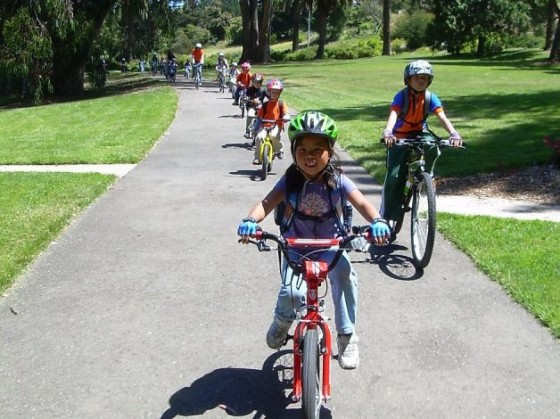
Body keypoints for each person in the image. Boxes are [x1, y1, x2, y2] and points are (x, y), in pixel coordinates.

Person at [237, 111, 391, 369]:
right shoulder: (290, 182)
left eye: (318, 149)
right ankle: (282, 320)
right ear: (293, 150)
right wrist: (251, 221)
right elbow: (265, 204)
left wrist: (378, 222)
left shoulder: (338, 181)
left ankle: (346, 335)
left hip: (331, 246)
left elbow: (362, 202)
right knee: (292, 291)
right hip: (295, 247)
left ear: (330, 152)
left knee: (345, 277)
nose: (310, 155)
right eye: (303, 149)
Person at [380, 59, 462, 235]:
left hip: (419, 132)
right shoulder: (401, 96)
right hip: (399, 136)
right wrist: (388, 133)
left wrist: (454, 134)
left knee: (433, 146)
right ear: (408, 80)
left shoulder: (430, 98)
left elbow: (442, 118)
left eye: (425, 78)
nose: (421, 81)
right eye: (417, 77)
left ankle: (426, 176)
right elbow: (393, 114)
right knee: (394, 176)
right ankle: (386, 216)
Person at [251, 78, 290, 164]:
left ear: (280, 93)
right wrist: (255, 129)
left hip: (276, 125)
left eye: (277, 92)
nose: (275, 94)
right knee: (259, 137)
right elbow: (259, 118)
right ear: (269, 92)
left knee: (274, 136)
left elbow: (285, 112)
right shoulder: (265, 105)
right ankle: (257, 157)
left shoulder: (281, 103)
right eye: (273, 92)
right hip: (264, 125)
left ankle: (279, 150)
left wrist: (286, 116)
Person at [243, 73, 269, 139]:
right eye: (255, 82)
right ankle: (248, 131)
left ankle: (266, 130)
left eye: (259, 82)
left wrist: (273, 98)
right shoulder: (249, 89)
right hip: (251, 106)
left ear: (261, 82)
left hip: (260, 108)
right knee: (250, 114)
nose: (257, 84)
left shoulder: (263, 90)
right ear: (253, 82)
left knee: (267, 116)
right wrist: (246, 98)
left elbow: (270, 97)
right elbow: (245, 96)